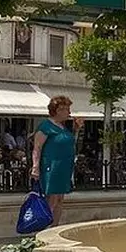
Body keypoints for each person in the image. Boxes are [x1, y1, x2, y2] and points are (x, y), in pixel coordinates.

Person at [31, 96, 82, 227]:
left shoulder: (63, 127)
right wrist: (35, 167)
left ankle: (54, 227)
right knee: (52, 199)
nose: (69, 113)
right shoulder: (46, 126)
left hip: (64, 167)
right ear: (58, 110)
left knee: (60, 199)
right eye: (67, 109)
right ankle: (45, 228)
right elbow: (37, 148)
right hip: (52, 167)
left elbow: (70, 144)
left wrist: (76, 130)